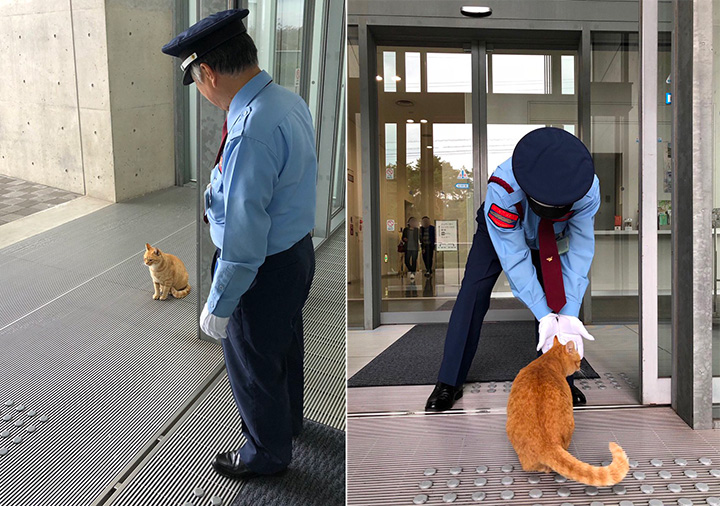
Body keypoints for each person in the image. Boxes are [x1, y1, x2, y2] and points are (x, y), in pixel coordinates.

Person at [162, 9, 317, 480]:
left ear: (206, 71)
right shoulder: (288, 101)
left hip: (260, 267)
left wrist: (219, 302)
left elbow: (244, 240)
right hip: (295, 253)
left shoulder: (249, 130)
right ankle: (288, 423)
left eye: (199, 83)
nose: (205, 96)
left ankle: (266, 455)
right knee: (284, 345)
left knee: (251, 362)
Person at [425, 127, 599, 412]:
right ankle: (449, 380)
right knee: (473, 292)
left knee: (560, 298)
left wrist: (567, 312)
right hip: (501, 233)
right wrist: (543, 314)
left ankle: (562, 380)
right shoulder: (502, 189)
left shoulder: (586, 188)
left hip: (551, 237)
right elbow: (515, 259)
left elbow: (580, 251)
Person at [402, 217, 420, 281]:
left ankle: (413, 273)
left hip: (415, 247)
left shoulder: (417, 230)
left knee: (414, 260)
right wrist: (404, 239)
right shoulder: (406, 230)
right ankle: (411, 270)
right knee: (406, 261)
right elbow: (403, 237)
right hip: (408, 247)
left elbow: (419, 238)